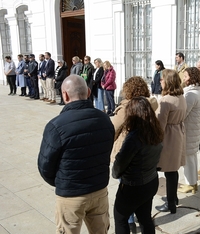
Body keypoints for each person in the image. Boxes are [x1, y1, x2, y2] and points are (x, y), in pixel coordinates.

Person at [37, 74, 114, 234]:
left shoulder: (56, 125)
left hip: (71, 195)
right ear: (87, 92)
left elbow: (45, 166)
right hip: (98, 189)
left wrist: (64, 182)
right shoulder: (105, 119)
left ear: (64, 95)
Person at [110, 76, 158, 232]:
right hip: (150, 181)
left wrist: (116, 173)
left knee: (120, 217)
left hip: (133, 184)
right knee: (145, 217)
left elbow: (119, 165)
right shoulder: (156, 131)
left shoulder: (133, 137)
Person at [155, 69, 186, 214]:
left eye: (162, 79)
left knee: (168, 171)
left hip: (168, 137)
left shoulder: (166, 100)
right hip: (178, 134)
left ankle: (171, 203)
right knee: (173, 170)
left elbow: (160, 125)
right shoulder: (181, 97)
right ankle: (173, 198)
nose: (160, 82)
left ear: (168, 82)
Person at [177, 67, 200, 194]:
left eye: (186, 76)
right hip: (193, 129)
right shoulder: (197, 91)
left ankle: (191, 184)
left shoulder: (190, 94)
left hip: (189, 130)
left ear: (191, 78)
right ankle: (193, 183)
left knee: (188, 158)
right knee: (191, 157)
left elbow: (183, 113)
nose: (184, 78)